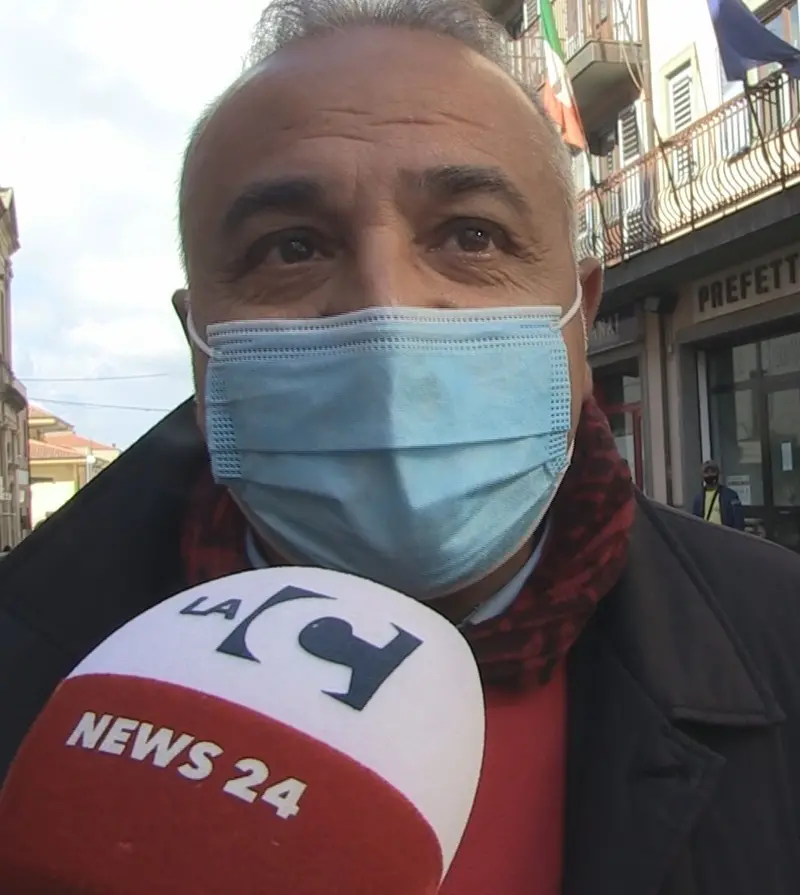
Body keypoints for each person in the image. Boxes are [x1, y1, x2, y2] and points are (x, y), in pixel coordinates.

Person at [2, 1, 800, 891]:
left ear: (580, 316)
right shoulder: (27, 678)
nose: (387, 311)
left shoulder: (784, 640)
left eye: (471, 235)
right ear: (200, 342)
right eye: (292, 247)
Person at [692, 460, 746, 530]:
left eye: (712, 471)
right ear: (702, 476)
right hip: (705, 535)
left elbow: (738, 521)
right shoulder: (698, 499)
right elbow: (695, 522)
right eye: (706, 472)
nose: (710, 474)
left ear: (718, 474)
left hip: (725, 535)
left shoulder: (730, 495)